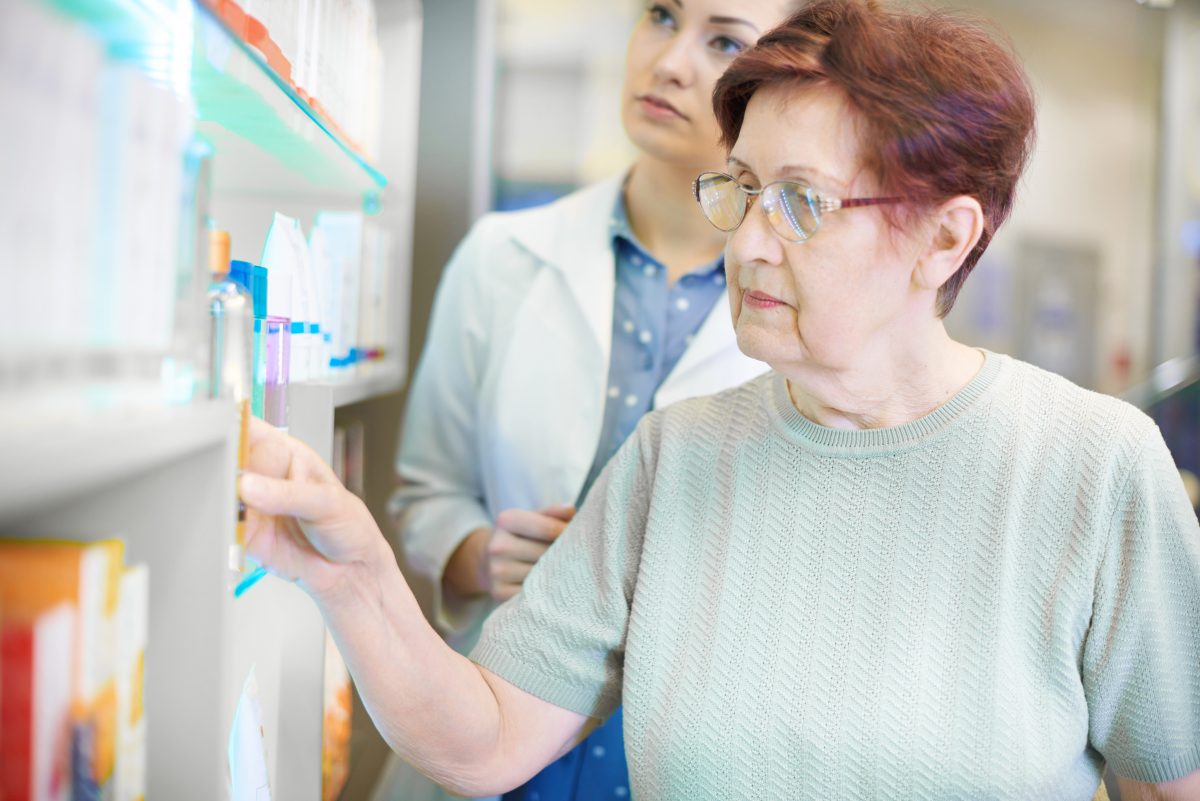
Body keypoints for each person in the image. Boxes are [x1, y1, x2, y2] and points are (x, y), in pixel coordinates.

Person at [237, 1, 1200, 799]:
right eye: (740, 191)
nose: (746, 245)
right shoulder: (677, 457)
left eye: (801, 202)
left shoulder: (1096, 466)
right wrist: (355, 576)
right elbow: (486, 737)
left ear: (945, 241)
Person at [390, 0, 796, 798]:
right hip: (489, 726)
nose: (671, 61)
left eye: (722, 41)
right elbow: (423, 490)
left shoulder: (798, 307)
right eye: (660, 16)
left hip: (681, 755)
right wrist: (476, 555)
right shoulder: (502, 257)